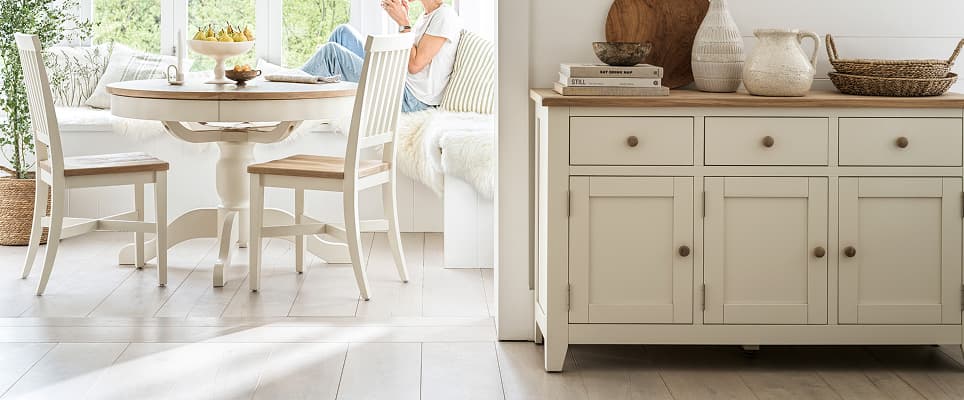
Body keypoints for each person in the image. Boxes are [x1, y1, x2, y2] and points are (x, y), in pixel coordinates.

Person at [302, 0, 463, 113]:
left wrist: (403, 22)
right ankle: (317, 99)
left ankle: (290, 91)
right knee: (342, 33)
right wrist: (403, 20)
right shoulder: (426, 16)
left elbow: (414, 65)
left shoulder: (444, 16)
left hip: (413, 100)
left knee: (332, 53)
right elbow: (407, 56)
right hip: (401, 83)